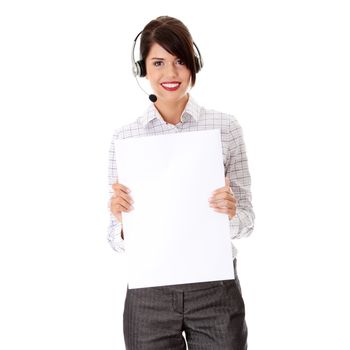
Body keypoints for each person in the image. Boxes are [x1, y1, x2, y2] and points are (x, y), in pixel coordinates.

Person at [107, 15, 255, 350]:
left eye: (179, 61)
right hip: (149, 295)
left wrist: (230, 213)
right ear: (142, 68)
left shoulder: (225, 127)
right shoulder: (125, 138)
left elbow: (247, 224)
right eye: (158, 62)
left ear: (194, 64)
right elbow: (114, 242)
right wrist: (122, 222)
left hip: (215, 290)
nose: (170, 74)